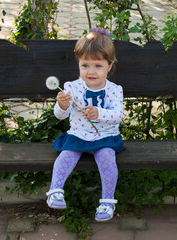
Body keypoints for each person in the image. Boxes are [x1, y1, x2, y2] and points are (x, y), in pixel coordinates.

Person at [46, 28, 125, 222]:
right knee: (66, 155)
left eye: (98, 65)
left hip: (105, 137)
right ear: (79, 64)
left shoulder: (115, 90)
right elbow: (60, 116)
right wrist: (62, 105)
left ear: (109, 66)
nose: (91, 71)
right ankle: (55, 190)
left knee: (107, 158)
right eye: (85, 65)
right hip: (78, 135)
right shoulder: (71, 87)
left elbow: (118, 115)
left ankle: (107, 201)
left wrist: (100, 113)